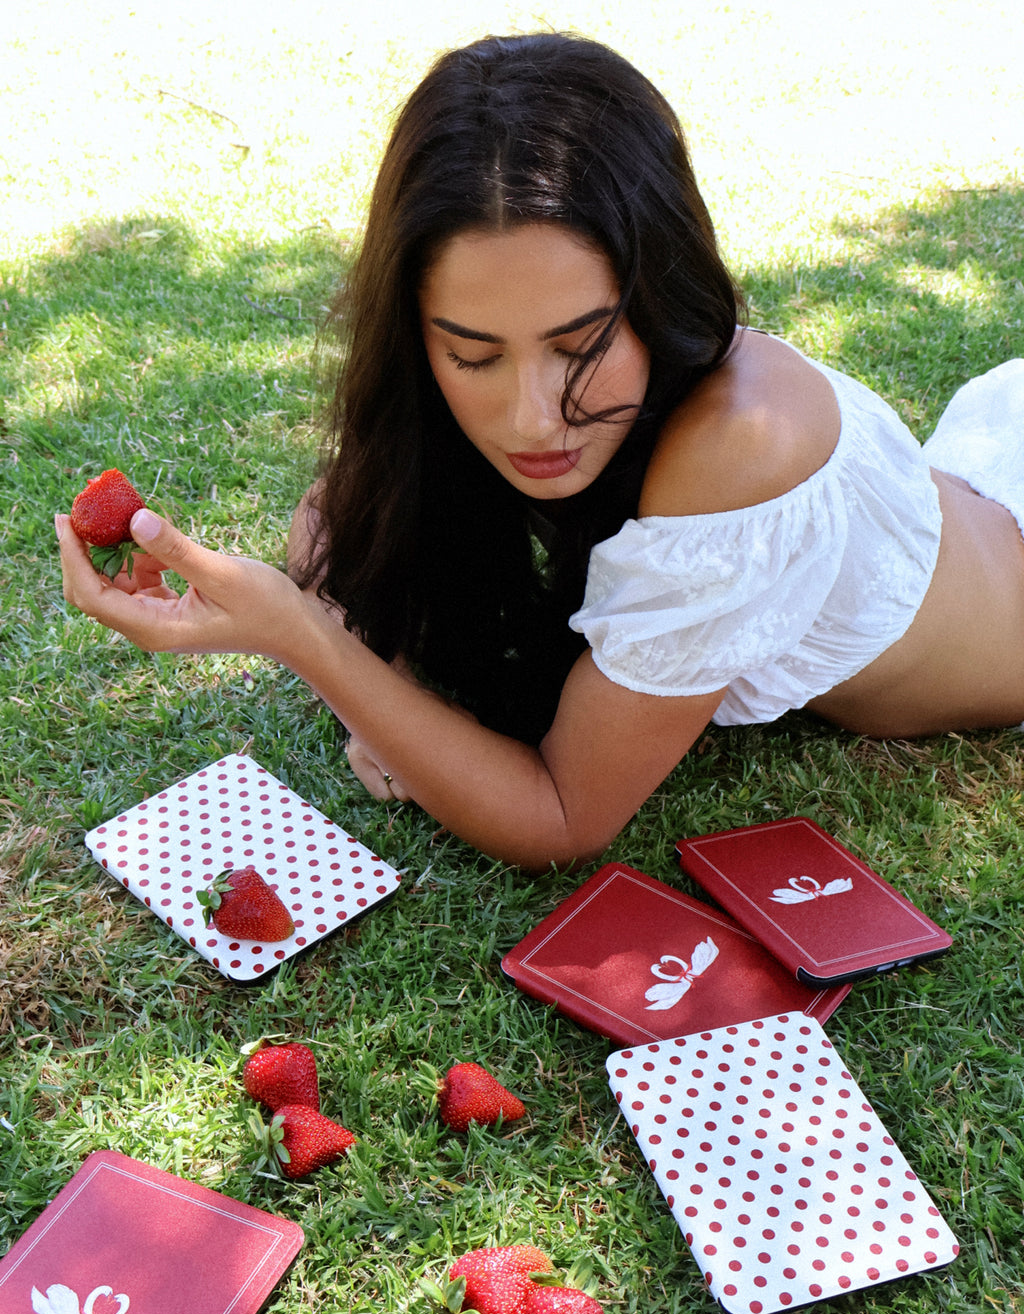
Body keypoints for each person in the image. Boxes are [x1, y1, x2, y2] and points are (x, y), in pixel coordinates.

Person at [56, 32, 1024, 871]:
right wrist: (365, 663)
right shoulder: (476, 403)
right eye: (471, 354)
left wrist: (307, 642)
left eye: (582, 345)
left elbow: (561, 813)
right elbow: (337, 519)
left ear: (658, 295)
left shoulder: (744, 446)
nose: (528, 419)